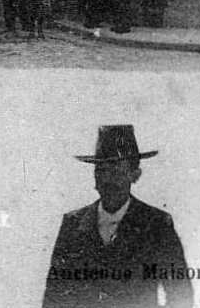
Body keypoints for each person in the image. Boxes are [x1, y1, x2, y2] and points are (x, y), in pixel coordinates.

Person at [42, 125, 190, 308]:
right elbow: (54, 297)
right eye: (101, 171)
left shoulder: (157, 224)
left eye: (116, 172)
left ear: (135, 175)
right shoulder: (73, 224)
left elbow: (180, 295)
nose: (107, 180)